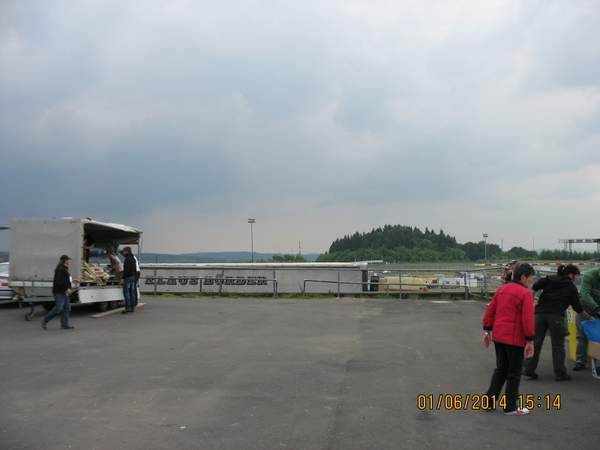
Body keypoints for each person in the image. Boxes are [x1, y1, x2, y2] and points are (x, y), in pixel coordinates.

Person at [482, 262, 535, 416]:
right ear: (523, 277)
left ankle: (489, 402)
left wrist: (487, 330)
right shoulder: (525, 293)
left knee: (501, 369)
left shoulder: (502, 289)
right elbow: (528, 319)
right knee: (514, 373)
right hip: (515, 339)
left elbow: (490, 310)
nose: (532, 281)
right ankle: (510, 406)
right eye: (531, 278)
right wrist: (530, 340)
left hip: (499, 336)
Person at [523, 264, 586, 381]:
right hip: (556, 316)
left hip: (539, 314)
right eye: (575, 276)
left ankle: (528, 369)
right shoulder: (571, 286)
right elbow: (577, 307)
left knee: (535, 342)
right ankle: (560, 373)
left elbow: (535, 286)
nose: (575, 279)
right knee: (558, 345)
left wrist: (531, 299)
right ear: (571, 274)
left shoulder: (549, 279)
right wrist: (588, 316)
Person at [574, 267, 600, 371]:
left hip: (598, 309)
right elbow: (584, 295)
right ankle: (580, 361)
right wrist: (596, 308)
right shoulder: (589, 276)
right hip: (585, 309)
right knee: (582, 336)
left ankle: (595, 362)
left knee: (597, 337)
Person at [42, 255, 75, 330]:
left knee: (67, 308)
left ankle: (64, 325)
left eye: (68, 260)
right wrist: (66, 289)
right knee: (59, 308)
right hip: (59, 292)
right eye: (67, 260)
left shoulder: (65, 269)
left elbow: (67, 281)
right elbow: (58, 282)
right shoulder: (60, 270)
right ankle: (46, 320)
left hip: (65, 292)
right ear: (63, 261)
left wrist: (71, 286)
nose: (68, 262)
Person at [120, 247, 140, 313]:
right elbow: (135, 269)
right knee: (132, 292)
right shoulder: (133, 258)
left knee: (126, 293)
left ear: (127, 251)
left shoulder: (127, 259)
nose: (123, 252)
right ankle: (132, 307)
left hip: (128, 278)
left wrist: (123, 278)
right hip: (133, 277)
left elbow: (126, 270)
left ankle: (128, 307)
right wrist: (135, 277)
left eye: (124, 251)